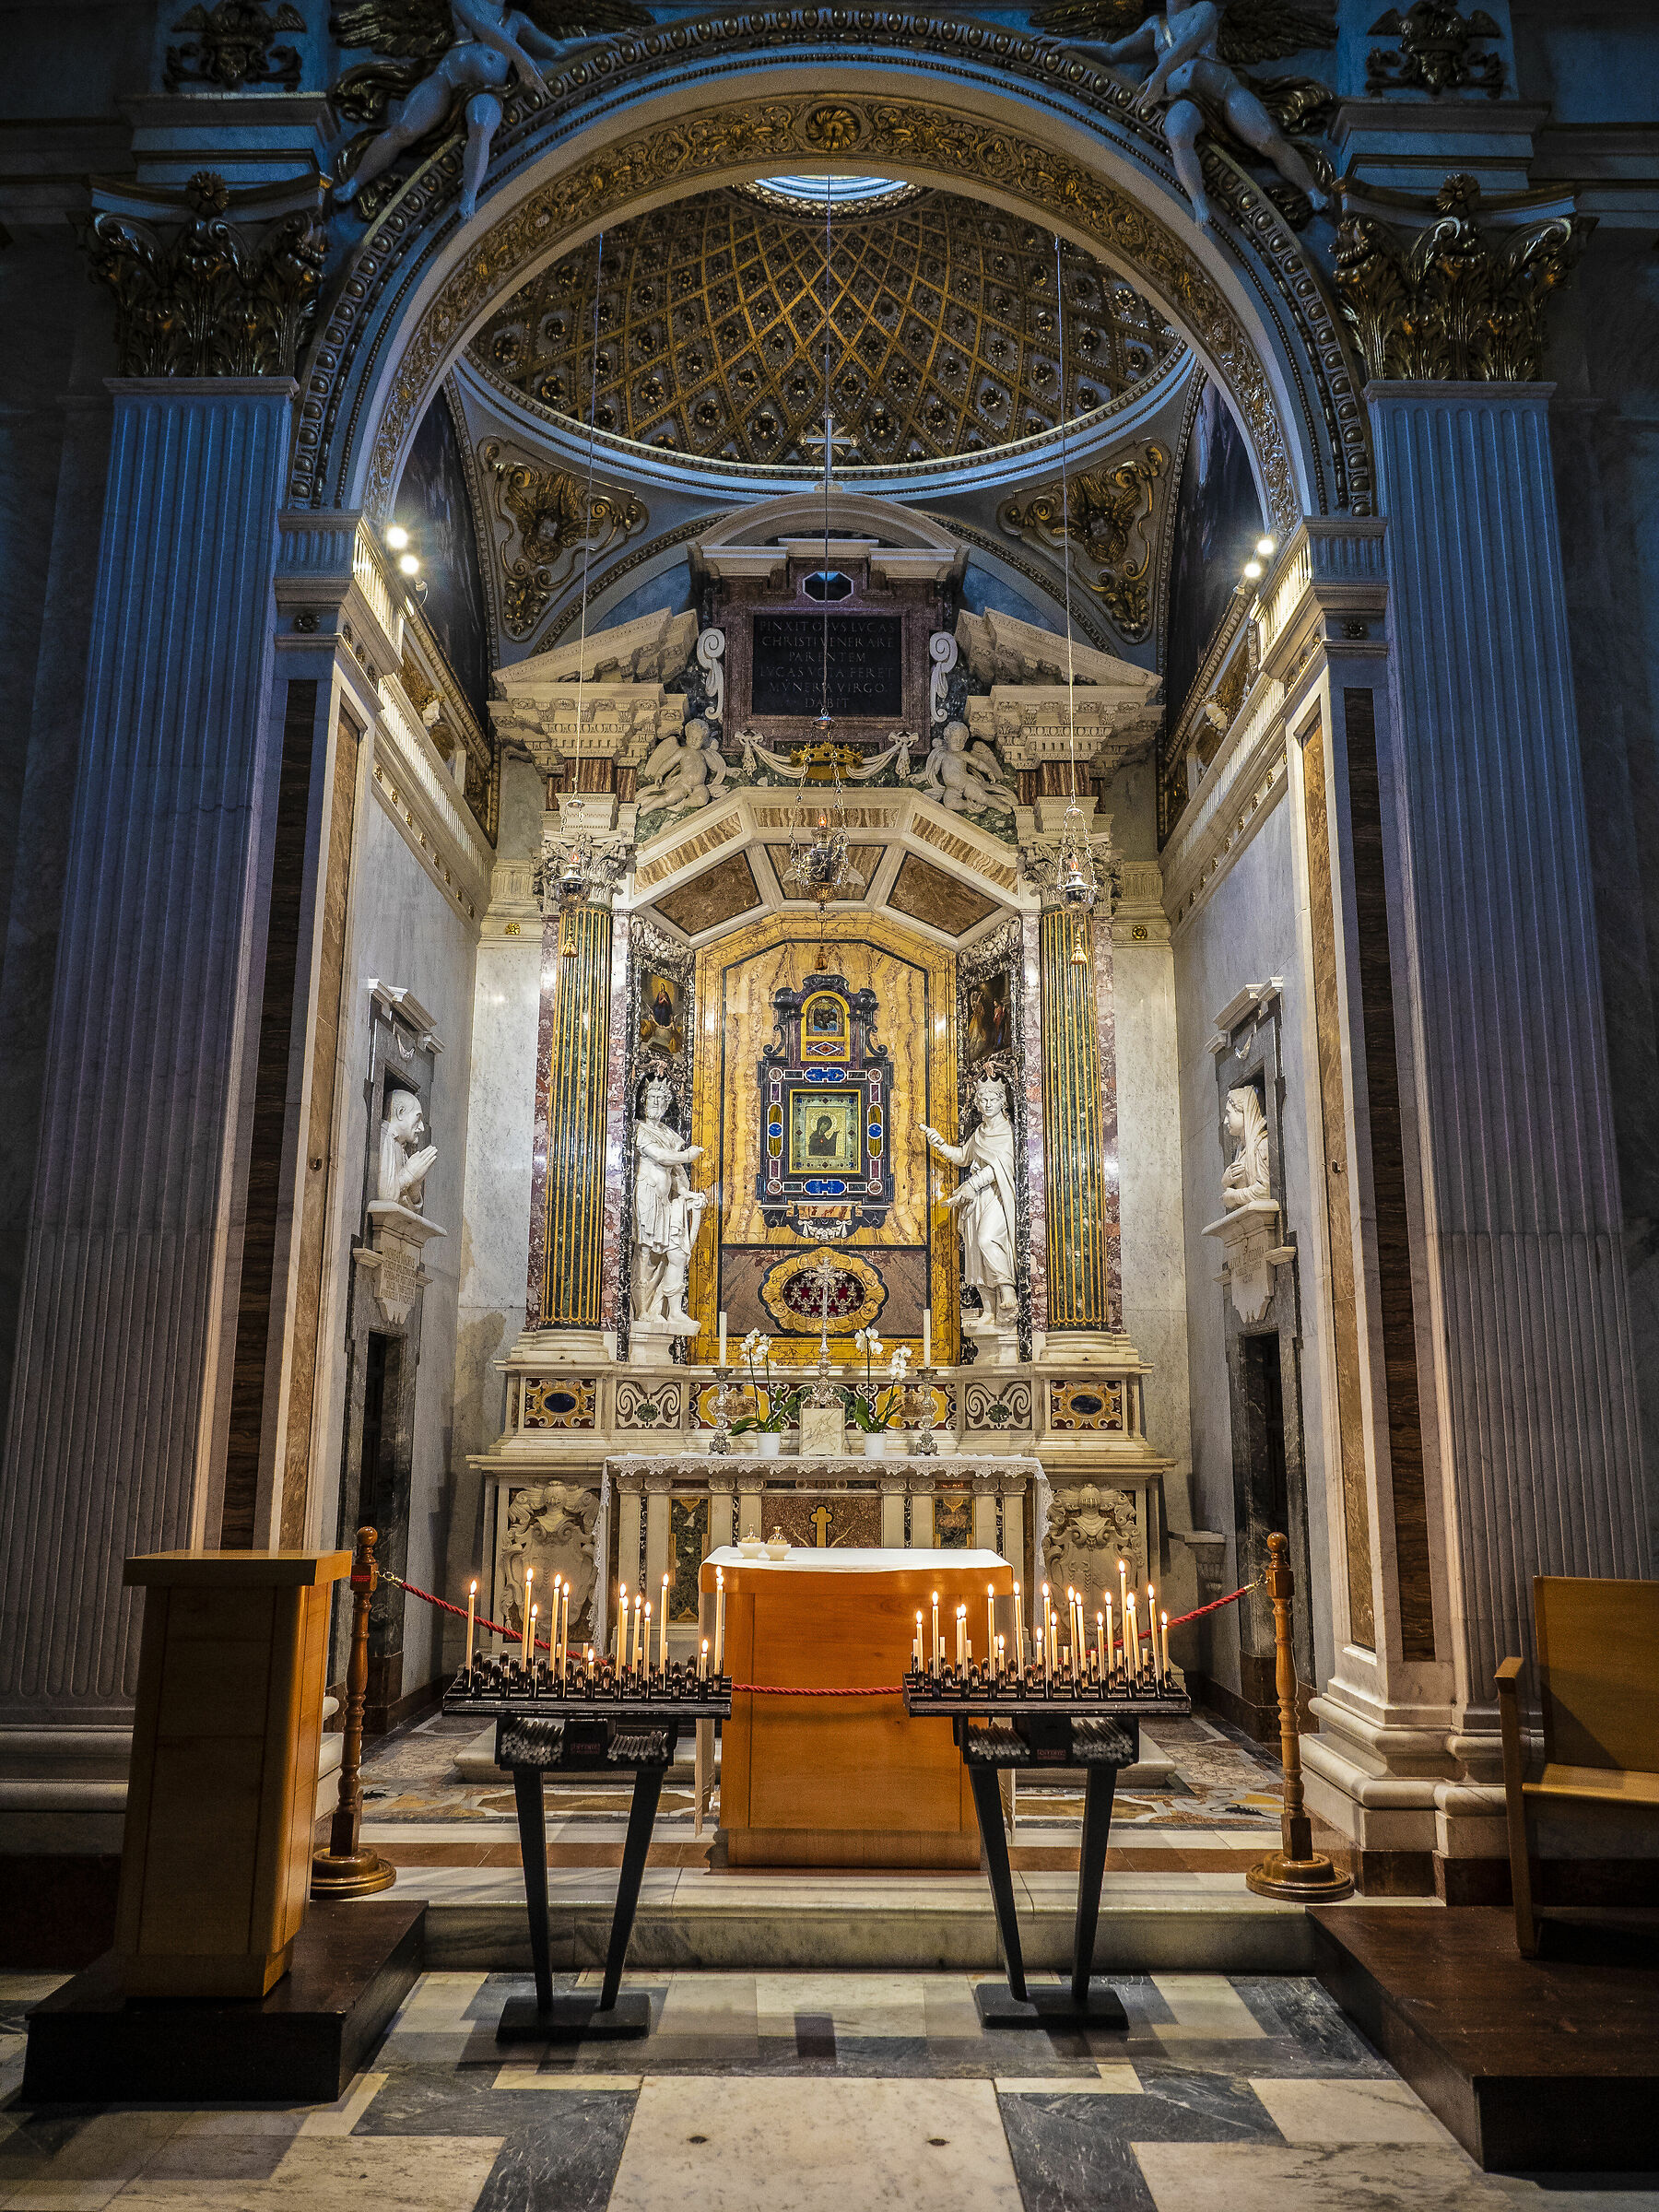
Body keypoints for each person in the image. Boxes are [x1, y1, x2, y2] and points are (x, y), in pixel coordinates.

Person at [1094, 1, 1329, 230]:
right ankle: (1199, 203)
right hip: (1187, 100)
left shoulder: (1203, 9)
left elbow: (1187, 44)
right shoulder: (1155, 25)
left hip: (1225, 94)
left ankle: (1311, 191)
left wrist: (1159, 76)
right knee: (1177, 133)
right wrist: (1066, 45)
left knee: (1267, 139)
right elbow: (1112, 52)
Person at [335, 0, 566, 223]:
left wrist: (602, 40)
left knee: (481, 124)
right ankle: (355, 183)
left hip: (488, 90)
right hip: (447, 79)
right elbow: (482, 25)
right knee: (404, 129)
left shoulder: (517, 20)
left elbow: (557, 49)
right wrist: (521, 57)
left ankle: (468, 198)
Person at [922, 1077, 1019, 1326]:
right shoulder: (980, 1132)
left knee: (988, 1239)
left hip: (996, 1193)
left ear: (1001, 1102)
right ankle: (990, 1308)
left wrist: (972, 1185)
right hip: (975, 1198)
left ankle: (1007, 1289)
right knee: (975, 1249)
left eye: (993, 1100)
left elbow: (1002, 1164)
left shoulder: (1006, 1131)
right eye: (983, 1100)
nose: (987, 1104)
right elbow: (964, 1157)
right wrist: (940, 1143)